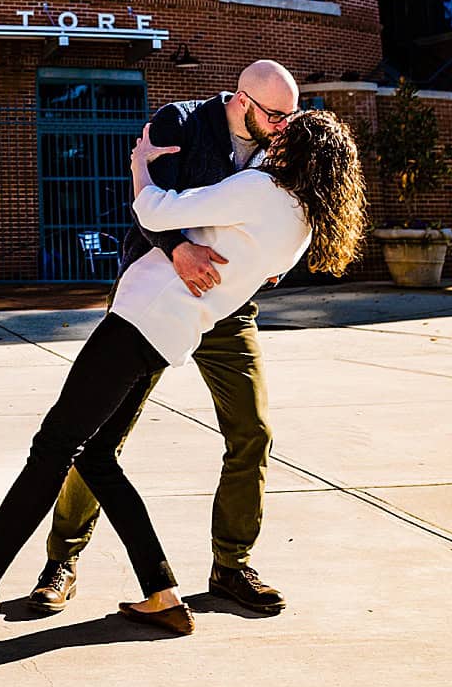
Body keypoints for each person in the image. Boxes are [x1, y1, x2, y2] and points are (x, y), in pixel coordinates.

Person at [0, 105, 366, 637]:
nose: (275, 139)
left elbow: (154, 209)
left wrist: (141, 163)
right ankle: (162, 593)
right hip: (171, 333)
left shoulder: (259, 189)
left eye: (287, 134)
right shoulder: (304, 227)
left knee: (54, 444)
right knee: (96, 453)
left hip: (137, 320)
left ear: (296, 150)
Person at [32, 61, 301, 617]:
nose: (282, 126)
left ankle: (232, 564)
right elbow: (147, 199)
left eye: (289, 116)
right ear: (242, 100)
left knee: (252, 431)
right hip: (160, 300)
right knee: (101, 432)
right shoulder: (178, 122)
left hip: (228, 309)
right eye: (274, 115)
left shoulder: (282, 144)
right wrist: (179, 247)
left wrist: (274, 265)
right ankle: (61, 561)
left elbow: (294, 213)